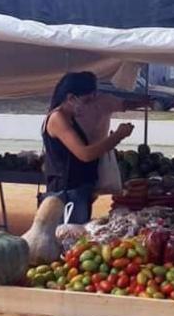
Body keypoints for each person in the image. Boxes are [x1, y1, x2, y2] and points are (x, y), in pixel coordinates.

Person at [43, 72, 134, 224]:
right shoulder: (57, 118)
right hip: (66, 191)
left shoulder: (68, 117)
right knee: (67, 239)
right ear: (71, 98)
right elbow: (85, 154)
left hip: (78, 188)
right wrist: (117, 136)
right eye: (85, 101)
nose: (87, 107)